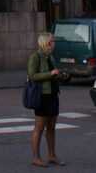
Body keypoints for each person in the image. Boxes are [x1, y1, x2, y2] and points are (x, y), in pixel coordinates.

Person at [28, 32, 66, 167]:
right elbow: (32, 76)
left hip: (53, 95)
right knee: (39, 127)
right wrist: (50, 73)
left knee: (51, 127)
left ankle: (51, 155)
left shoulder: (50, 57)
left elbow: (53, 75)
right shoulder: (35, 56)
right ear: (46, 43)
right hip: (42, 96)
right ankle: (36, 157)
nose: (54, 43)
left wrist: (60, 76)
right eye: (52, 41)